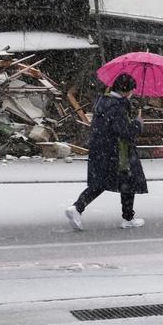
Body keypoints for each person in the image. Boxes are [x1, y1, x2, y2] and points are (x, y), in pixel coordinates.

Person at [65, 72, 148, 230]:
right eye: (131, 91)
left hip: (100, 149)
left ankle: (77, 208)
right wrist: (137, 124)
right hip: (117, 152)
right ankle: (126, 218)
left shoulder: (103, 102)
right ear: (125, 91)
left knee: (103, 182)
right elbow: (122, 131)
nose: (132, 94)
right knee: (126, 182)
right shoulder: (118, 107)